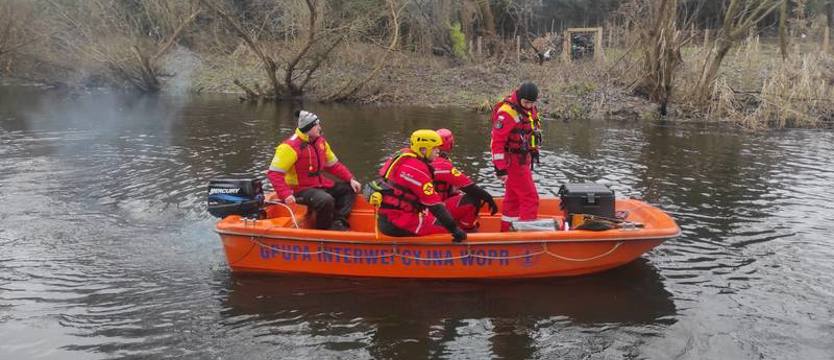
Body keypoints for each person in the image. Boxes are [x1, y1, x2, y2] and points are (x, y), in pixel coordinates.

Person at [266, 110, 361, 230]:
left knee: (348, 189)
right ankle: (323, 231)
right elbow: (274, 174)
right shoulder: (289, 147)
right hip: (299, 189)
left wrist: (350, 178)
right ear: (308, 128)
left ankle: (338, 221)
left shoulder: (321, 142)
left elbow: (333, 165)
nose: (320, 128)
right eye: (316, 125)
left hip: (319, 184)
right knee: (325, 200)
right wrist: (285, 195)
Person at [375, 129, 468, 242]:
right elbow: (435, 205)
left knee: (442, 221)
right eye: (434, 148)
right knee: (446, 231)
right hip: (397, 222)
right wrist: (454, 229)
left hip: (396, 215)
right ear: (423, 149)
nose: (438, 151)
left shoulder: (405, 157)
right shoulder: (416, 169)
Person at [490, 82, 543, 232]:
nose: (528, 106)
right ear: (519, 97)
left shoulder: (529, 108)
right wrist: (500, 168)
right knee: (530, 198)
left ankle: (506, 231)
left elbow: (530, 131)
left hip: (522, 158)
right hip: (513, 161)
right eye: (525, 102)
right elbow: (497, 143)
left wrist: (533, 151)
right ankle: (525, 236)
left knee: (512, 199)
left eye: (531, 103)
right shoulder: (507, 113)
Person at [433, 128, 498, 231]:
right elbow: (468, 186)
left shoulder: (427, 160)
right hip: (434, 209)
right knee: (474, 198)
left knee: (465, 195)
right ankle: (467, 229)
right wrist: (489, 198)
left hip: (433, 205)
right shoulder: (442, 165)